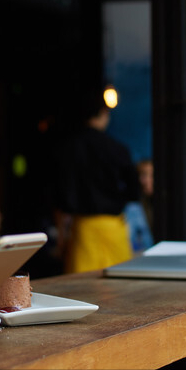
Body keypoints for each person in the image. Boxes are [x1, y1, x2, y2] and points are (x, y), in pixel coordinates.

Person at [54, 90, 141, 273]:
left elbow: (62, 194)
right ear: (103, 113)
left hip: (84, 229)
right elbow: (135, 191)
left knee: (81, 291)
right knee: (120, 286)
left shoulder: (70, 147)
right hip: (114, 227)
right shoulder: (117, 148)